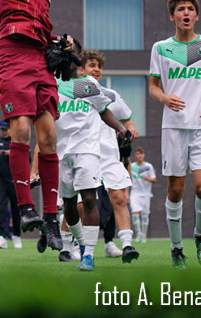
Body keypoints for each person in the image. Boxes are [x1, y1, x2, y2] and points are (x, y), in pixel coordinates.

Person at [0, 0, 64, 250]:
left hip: (39, 59)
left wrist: (60, 44)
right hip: (13, 54)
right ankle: (25, 208)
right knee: (20, 130)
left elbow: (44, 24)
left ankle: (51, 220)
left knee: (49, 138)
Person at [149, 0, 201, 269]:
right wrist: (164, 98)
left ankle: (200, 238)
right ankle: (176, 248)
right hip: (173, 127)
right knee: (176, 190)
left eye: (190, 9)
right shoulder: (160, 48)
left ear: (196, 15)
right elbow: (153, 86)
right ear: (172, 17)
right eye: (181, 9)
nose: (186, 13)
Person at [53, 48, 127, 271]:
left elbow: (104, 111)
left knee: (88, 199)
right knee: (68, 204)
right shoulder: (52, 83)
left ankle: (88, 255)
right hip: (61, 152)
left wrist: (122, 128)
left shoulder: (90, 85)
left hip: (87, 148)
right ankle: (81, 242)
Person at [79, 49, 140, 263]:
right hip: (84, 155)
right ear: (81, 69)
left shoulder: (112, 95)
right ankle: (75, 246)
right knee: (83, 204)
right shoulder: (72, 92)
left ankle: (127, 245)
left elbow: (128, 120)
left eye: (99, 66)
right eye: (91, 65)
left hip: (109, 155)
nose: (96, 69)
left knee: (119, 198)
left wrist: (131, 130)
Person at [0, 120, 23, 249]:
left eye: (6, 129)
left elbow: (27, 159)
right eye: (2, 130)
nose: (4, 132)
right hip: (0, 180)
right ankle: (1, 236)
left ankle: (17, 236)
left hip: (15, 180)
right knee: (1, 208)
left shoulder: (18, 142)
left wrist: (12, 154)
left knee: (16, 209)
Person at [130, 147, 157, 243]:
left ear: (143, 155)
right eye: (137, 154)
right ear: (135, 156)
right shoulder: (131, 166)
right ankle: (138, 234)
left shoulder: (148, 166)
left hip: (146, 194)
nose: (139, 156)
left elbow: (154, 179)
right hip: (135, 193)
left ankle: (144, 235)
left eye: (141, 154)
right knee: (135, 212)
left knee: (145, 215)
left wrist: (148, 179)